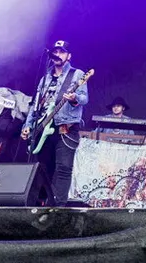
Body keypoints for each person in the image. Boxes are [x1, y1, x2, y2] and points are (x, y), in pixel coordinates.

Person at [21, 40, 89, 206]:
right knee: (43, 168)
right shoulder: (45, 78)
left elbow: (84, 99)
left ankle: (59, 206)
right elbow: (35, 105)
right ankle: (40, 203)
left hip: (65, 128)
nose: (57, 55)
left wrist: (74, 98)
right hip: (43, 127)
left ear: (68, 55)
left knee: (63, 168)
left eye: (62, 52)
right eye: (55, 52)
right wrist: (27, 126)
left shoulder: (77, 74)